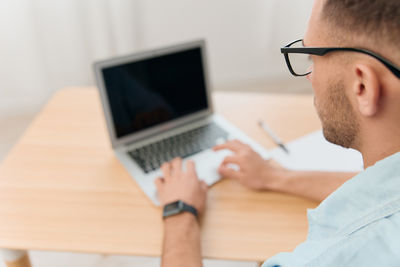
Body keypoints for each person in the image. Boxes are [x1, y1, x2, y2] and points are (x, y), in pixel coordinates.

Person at [154, 0, 400, 266]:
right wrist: (274, 176)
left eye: (312, 57)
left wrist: (180, 210)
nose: (309, 76)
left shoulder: (334, 256)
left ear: (362, 85)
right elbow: (382, 193)